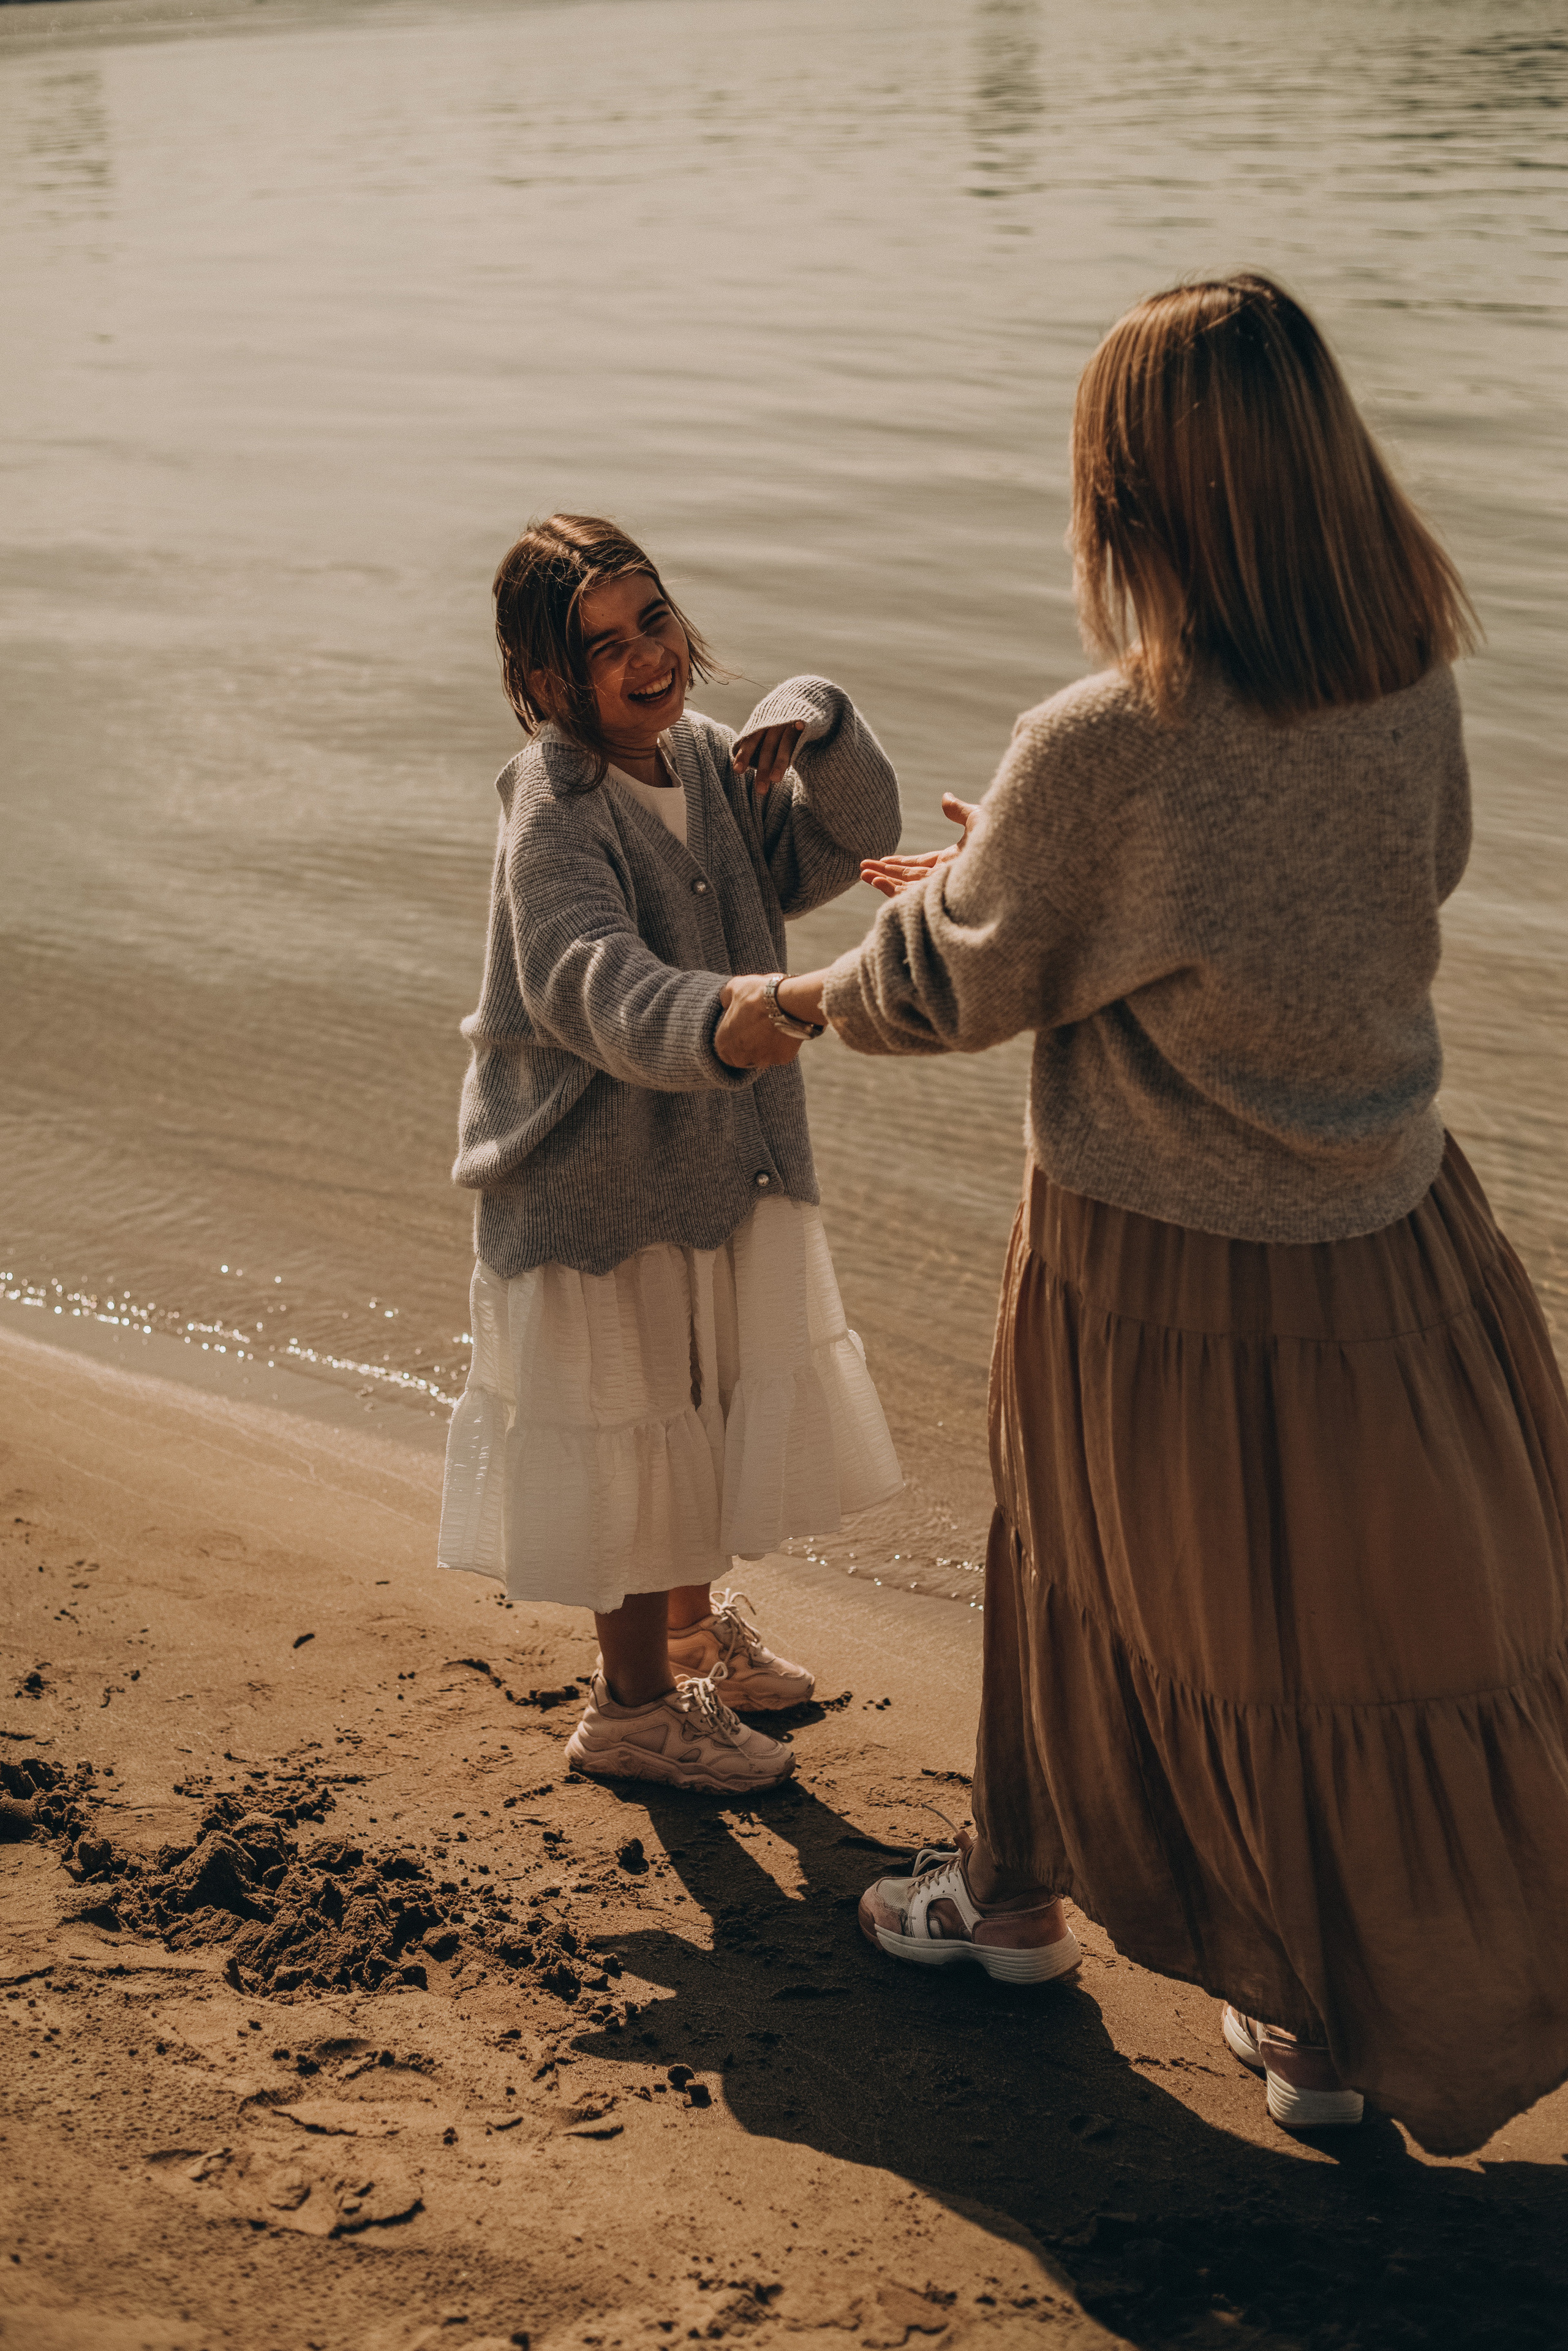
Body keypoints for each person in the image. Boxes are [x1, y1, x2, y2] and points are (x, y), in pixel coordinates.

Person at [721, 276, 1568, 2157]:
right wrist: (1040, 881)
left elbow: (943, 988)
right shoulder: (1407, 678)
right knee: (1353, 1637)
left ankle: (1013, 1899)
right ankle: (1327, 2017)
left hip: (1156, 1268)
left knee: (1089, 1587)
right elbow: (1385, 884)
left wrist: (796, 994)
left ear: (1142, 499)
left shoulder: (1105, 737)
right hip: (1397, 1238)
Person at [440, 513, 903, 1794]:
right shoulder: (553, 806)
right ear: (545, 683)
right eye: (603, 647)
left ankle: (693, 1639)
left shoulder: (701, 759)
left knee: (694, 1402)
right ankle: (634, 1708)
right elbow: (591, 978)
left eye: (654, 619)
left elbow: (838, 843)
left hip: (704, 1160)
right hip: (591, 1182)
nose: (645, 657)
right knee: (628, 1431)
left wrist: (817, 718)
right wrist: (735, 1015)